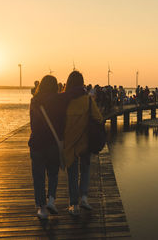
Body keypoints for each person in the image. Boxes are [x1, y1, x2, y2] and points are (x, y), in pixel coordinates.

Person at [28, 75, 85, 219]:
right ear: (55, 86)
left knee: (38, 177)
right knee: (53, 173)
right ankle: (51, 200)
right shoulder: (60, 99)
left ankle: (42, 208)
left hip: (36, 143)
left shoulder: (34, 101)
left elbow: (32, 124)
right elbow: (73, 93)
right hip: (53, 143)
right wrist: (82, 88)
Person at [63, 71, 103, 216]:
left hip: (69, 143)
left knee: (72, 174)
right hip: (85, 141)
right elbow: (99, 118)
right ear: (82, 83)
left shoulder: (64, 100)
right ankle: (84, 197)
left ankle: (74, 205)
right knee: (85, 170)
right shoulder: (87, 100)